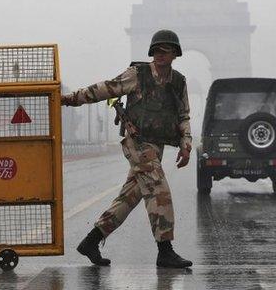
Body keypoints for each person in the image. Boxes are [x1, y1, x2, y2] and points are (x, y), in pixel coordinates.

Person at [61, 29, 193, 268]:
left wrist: (186, 145)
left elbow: (183, 115)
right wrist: (71, 98)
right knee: (158, 190)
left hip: (157, 145)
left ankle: (92, 241)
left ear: (175, 54)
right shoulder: (137, 74)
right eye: (156, 51)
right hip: (137, 143)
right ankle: (165, 250)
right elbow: (105, 89)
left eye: (165, 51)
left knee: (130, 197)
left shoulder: (178, 82)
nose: (160, 55)